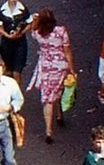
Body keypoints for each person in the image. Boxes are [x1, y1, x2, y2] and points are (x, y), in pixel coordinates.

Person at [27, 8, 74, 144]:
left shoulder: (38, 33)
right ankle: (59, 114)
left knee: (47, 97)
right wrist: (71, 68)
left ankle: (48, 130)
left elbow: (32, 27)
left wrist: (34, 19)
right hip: (60, 66)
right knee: (59, 89)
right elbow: (67, 50)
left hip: (46, 66)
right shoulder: (61, 31)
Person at [0, 0, 31, 80]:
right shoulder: (2, 10)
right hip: (6, 43)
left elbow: (29, 23)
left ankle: (17, 92)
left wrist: (21, 33)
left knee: (17, 71)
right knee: (8, 69)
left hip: (20, 43)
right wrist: (7, 35)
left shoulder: (23, 9)